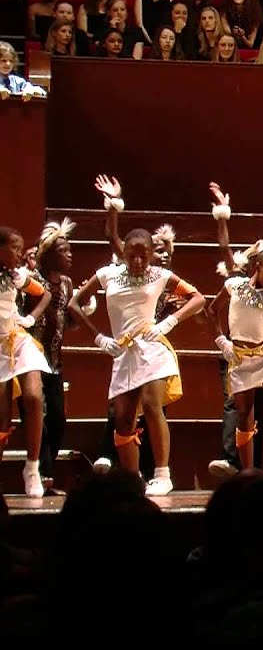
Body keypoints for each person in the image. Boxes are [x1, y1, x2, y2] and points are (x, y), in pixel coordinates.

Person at [69, 184, 206, 496]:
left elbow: (197, 298)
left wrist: (169, 322)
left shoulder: (160, 275)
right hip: (123, 351)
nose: (138, 262)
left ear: (151, 254)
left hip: (153, 347)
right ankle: (133, 481)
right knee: (123, 419)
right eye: (132, 256)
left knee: (152, 403)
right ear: (124, 253)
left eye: (144, 256)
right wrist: (99, 338)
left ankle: (163, 474)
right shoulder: (107, 274)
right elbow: (74, 304)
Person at [207, 216, 263, 478]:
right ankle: (247, 473)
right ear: (258, 266)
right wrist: (221, 340)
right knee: (244, 413)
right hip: (240, 357)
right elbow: (212, 310)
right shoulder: (233, 285)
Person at [27, 218, 80, 494]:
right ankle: (42, 476)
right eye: (63, 250)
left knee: (57, 419)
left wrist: (82, 308)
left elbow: (68, 321)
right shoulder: (32, 280)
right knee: (39, 419)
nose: (70, 255)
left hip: (55, 362)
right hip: (29, 359)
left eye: (70, 250)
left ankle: (45, 472)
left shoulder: (68, 283)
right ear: (48, 254)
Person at [0, 227, 51, 498]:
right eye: (15, 249)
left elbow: (45, 294)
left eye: (21, 249)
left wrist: (30, 318)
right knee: (1, 418)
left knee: (33, 397)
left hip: (16, 339)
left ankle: (32, 468)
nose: (20, 255)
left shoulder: (16, 276)